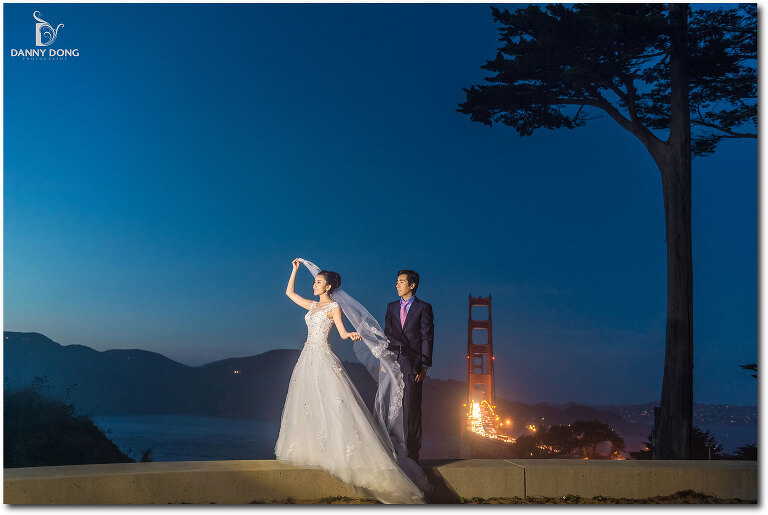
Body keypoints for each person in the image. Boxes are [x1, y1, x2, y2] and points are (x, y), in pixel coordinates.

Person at [274, 258, 425, 504]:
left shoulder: (334, 308)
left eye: (318, 282)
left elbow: (343, 333)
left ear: (329, 287)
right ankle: (314, 450)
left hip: (323, 356)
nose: (314, 285)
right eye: (314, 282)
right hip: (306, 358)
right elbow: (289, 292)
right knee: (307, 403)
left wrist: (353, 334)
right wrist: (294, 270)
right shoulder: (312, 306)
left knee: (334, 404)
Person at [384, 270, 434, 463]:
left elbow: (427, 337)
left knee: (412, 410)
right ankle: (393, 451)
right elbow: (387, 336)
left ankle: (413, 456)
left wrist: (424, 366)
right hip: (392, 365)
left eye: (401, 282)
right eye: (396, 281)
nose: (397, 285)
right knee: (392, 408)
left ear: (412, 285)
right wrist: (385, 360)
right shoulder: (390, 307)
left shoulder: (424, 308)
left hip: (413, 366)